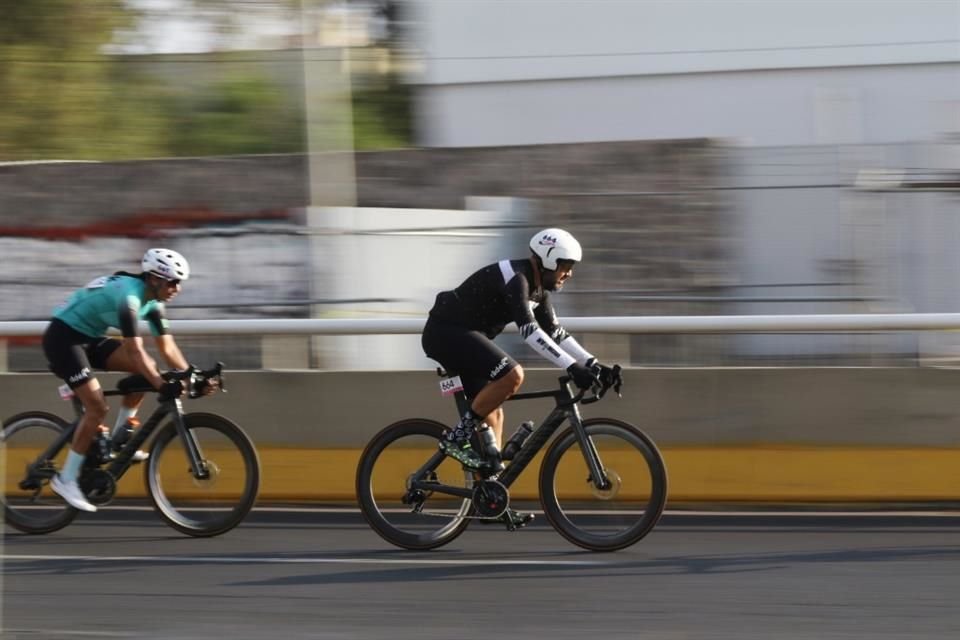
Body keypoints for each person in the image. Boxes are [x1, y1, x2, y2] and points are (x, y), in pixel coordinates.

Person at [421, 228, 621, 527]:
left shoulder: (539, 289)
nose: (569, 274)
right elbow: (530, 332)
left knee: (494, 416)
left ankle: (488, 498)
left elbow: (556, 333)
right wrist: (571, 367)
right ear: (549, 260)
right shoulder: (518, 279)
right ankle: (457, 439)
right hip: (446, 333)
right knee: (513, 375)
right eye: (566, 266)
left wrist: (593, 364)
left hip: (465, 336)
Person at [43, 248, 209, 513]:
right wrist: (162, 385)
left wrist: (194, 376)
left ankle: (119, 441)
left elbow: (167, 348)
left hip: (89, 337)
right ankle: (66, 479)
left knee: (147, 369)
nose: (177, 288)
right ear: (154, 279)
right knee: (97, 406)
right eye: (173, 282)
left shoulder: (154, 303)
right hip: (63, 338)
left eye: (180, 282)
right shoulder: (129, 297)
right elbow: (135, 350)